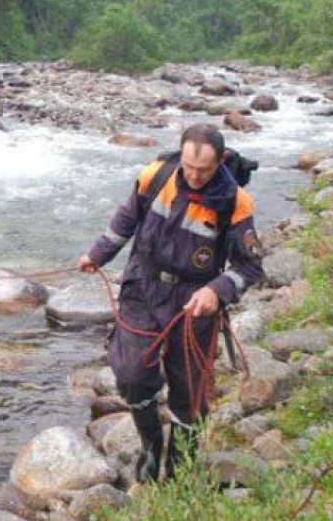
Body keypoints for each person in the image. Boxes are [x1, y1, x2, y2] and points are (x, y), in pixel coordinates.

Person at [78, 123, 263, 483]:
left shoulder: (237, 203)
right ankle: (151, 447)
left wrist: (218, 290)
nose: (194, 176)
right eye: (189, 166)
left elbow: (250, 266)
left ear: (221, 161)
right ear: (180, 153)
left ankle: (178, 470)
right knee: (131, 375)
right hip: (142, 287)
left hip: (194, 301)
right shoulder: (155, 175)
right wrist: (97, 254)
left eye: (205, 169)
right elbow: (124, 222)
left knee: (190, 392)